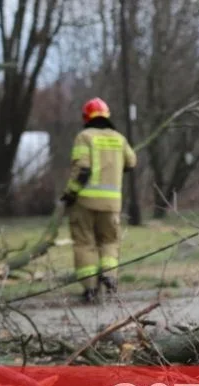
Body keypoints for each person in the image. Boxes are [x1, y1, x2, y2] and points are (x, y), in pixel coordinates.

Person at [59, 97, 137, 303]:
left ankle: (90, 289)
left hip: (84, 202)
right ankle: (110, 278)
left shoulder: (84, 137)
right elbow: (131, 163)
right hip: (112, 204)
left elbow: (82, 169)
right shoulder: (119, 138)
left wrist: (70, 193)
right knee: (109, 241)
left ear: (86, 117)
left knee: (85, 244)